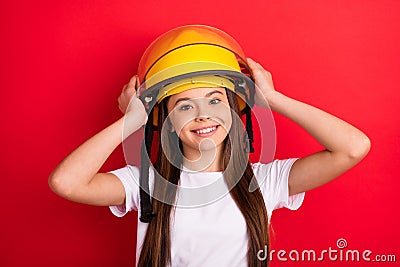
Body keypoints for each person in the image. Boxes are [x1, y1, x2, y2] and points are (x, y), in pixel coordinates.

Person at [49, 25, 370, 267]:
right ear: (167, 120)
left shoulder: (264, 181)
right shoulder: (146, 183)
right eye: (185, 106)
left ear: (234, 110)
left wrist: (273, 99)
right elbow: (66, 182)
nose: (204, 115)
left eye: (215, 101)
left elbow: (353, 147)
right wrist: (132, 121)